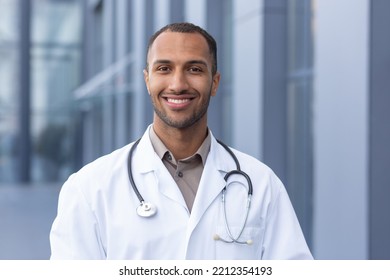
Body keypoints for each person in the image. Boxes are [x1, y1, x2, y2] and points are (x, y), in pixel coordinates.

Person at [50, 22, 313, 260]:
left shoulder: (262, 184)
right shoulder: (89, 188)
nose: (178, 84)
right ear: (147, 80)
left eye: (195, 69)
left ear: (215, 82)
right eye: (164, 68)